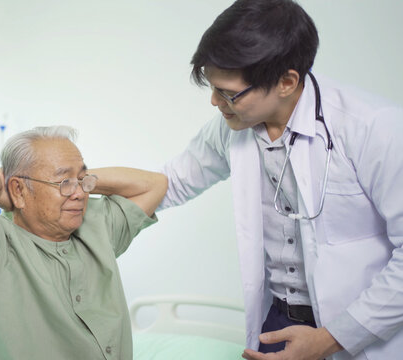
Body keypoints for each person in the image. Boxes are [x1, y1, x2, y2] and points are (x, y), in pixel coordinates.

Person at [158, 0, 403, 359]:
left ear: (287, 82)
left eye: (228, 93)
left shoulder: (374, 128)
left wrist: (330, 338)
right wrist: (85, 185)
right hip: (278, 323)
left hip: (359, 326)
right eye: (212, 88)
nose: (214, 102)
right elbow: (173, 181)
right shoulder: (234, 126)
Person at [0, 125, 167, 359]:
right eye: (63, 182)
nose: (80, 193)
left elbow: (155, 184)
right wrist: (0, 185)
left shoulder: (97, 226)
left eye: (82, 181)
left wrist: (78, 178)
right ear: (20, 191)